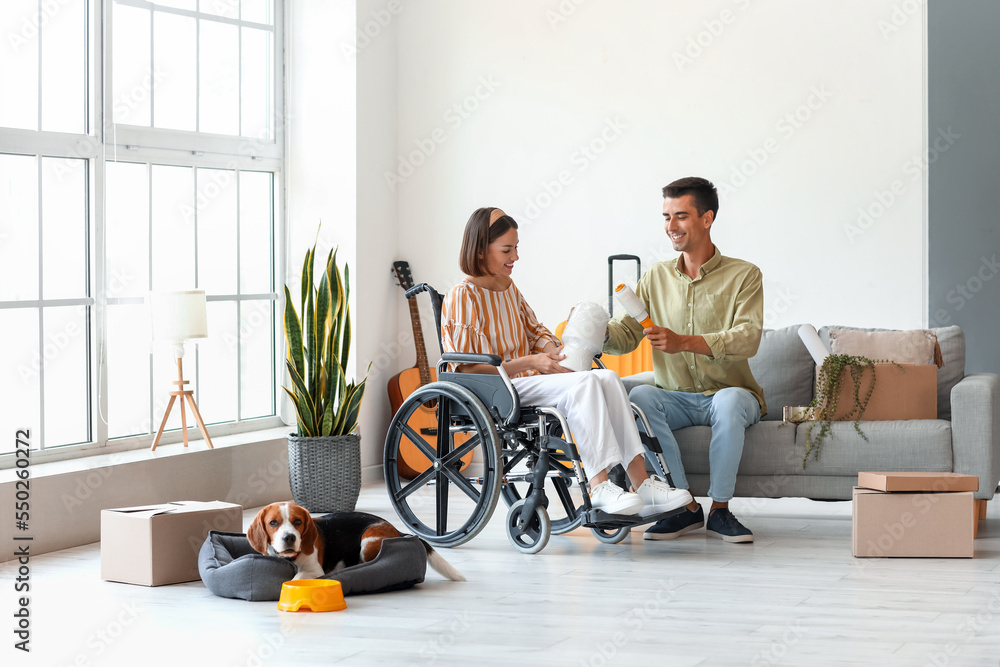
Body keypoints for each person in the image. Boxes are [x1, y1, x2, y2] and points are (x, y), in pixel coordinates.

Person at [441, 207, 691, 516]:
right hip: (494, 391)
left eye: (516, 247)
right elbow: (467, 369)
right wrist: (530, 361)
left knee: (607, 378)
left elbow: (536, 331)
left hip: (525, 382)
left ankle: (642, 484)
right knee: (586, 383)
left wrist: (559, 345)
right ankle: (598, 486)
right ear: (480, 251)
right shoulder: (462, 296)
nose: (515, 256)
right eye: (507, 249)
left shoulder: (507, 288)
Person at [604, 177, 766, 543]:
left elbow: (748, 337)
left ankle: (720, 511)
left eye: (680, 216)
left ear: (707, 218)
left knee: (727, 401)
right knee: (640, 398)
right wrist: (596, 331)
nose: (670, 227)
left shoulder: (744, 275)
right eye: (666, 217)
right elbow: (626, 335)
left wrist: (685, 343)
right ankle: (684, 508)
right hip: (674, 395)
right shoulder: (655, 277)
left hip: (732, 393)